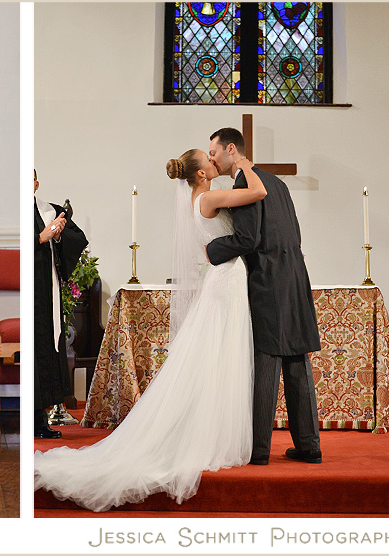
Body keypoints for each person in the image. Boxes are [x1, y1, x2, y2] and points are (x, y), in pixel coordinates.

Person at [34, 149, 266, 511]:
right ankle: (209, 436)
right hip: (227, 281)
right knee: (218, 355)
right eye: (208, 158)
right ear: (202, 174)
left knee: (216, 356)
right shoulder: (209, 196)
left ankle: (212, 431)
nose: (213, 160)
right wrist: (247, 167)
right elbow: (257, 193)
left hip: (227, 278)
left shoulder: (198, 195)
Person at [206, 127, 322, 465]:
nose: (211, 157)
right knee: (297, 359)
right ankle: (309, 445)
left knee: (267, 361)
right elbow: (294, 231)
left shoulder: (244, 183)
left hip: (268, 279)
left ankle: (258, 450)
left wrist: (210, 248)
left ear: (230, 149)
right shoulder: (277, 183)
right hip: (295, 276)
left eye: (213, 151)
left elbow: (247, 240)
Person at [34, 169, 87, 439]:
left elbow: (75, 242)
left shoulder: (49, 210)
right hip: (27, 291)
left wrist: (57, 237)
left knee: (45, 347)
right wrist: (40, 238)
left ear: (35, 183)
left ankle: (40, 421)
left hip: (46, 290)